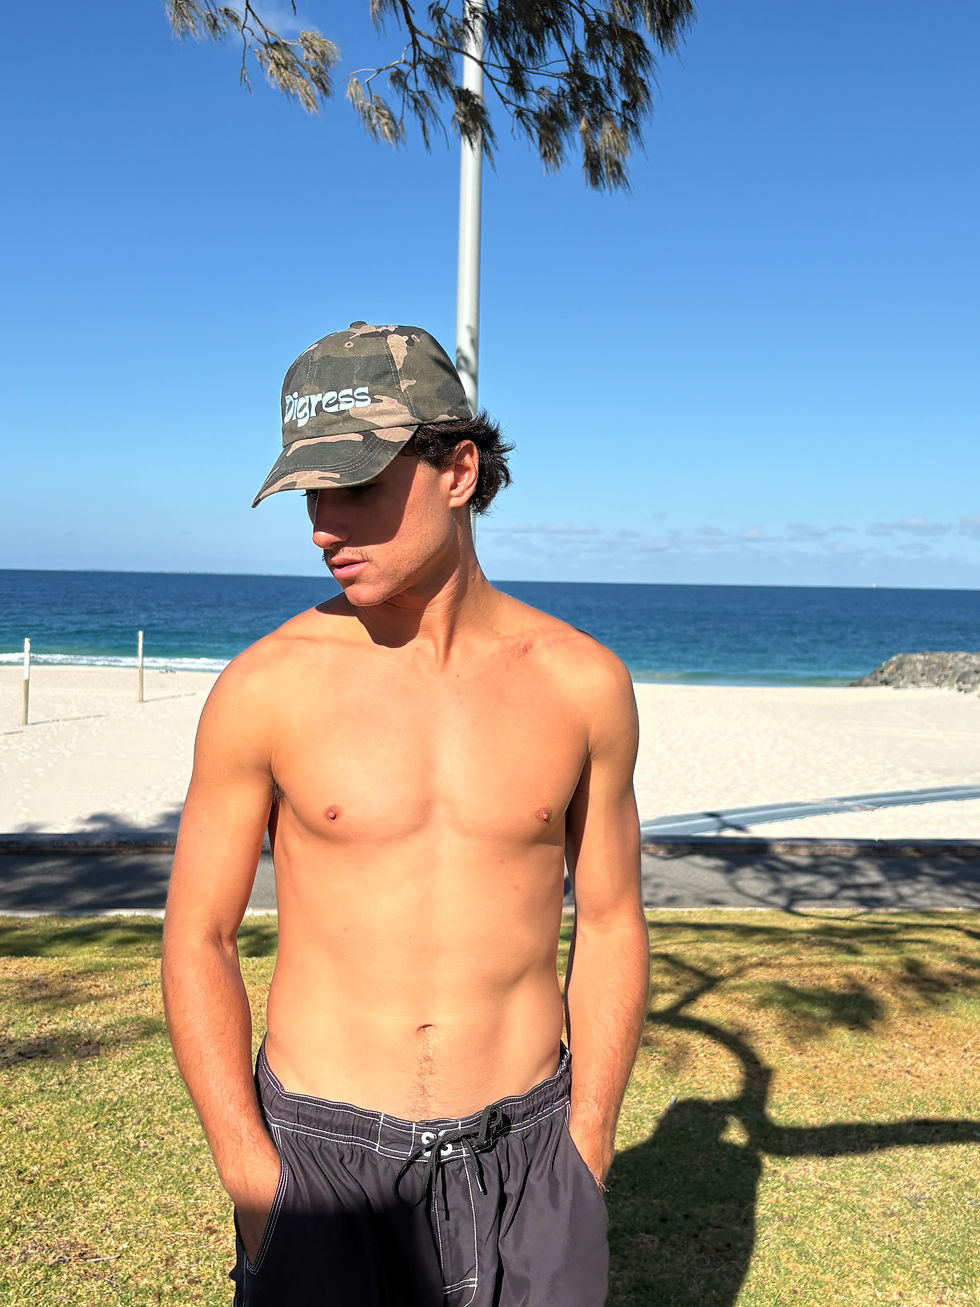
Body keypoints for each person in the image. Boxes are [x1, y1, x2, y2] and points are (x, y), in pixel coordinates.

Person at [161, 322, 650, 1306]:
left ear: (457, 470)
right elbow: (198, 935)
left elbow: (609, 921)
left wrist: (586, 1141)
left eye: (356, 487)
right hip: (321, 1163)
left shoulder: (581, 683)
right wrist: (253, 1177)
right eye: (311, 494)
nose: (323, 527)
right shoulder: (266, 687)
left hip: (530, 1155)